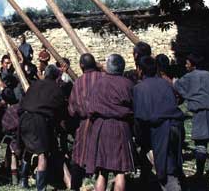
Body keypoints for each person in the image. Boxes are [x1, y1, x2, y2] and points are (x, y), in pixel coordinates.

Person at [133, 56, 184, 191]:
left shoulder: (140, 88)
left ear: (139, 70)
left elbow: (140, 118)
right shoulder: (166, 83)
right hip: (177, 127)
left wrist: (139, 138)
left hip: (161, 131)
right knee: (173, 162)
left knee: (166, 169)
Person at [86, 54, 135, 191]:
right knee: (120, 172)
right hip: (120, 127)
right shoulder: (128, 84)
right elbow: (133, 107)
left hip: (101, 127)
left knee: (102, 172)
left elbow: (90, 108)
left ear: (108, 67)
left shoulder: (99, 83)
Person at [174, 53, 209, 177]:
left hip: (201, 111)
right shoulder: (208, 74)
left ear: (192, 65)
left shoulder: (189, 77)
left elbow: (177, 86)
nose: (186, 65)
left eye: (187, 63)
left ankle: (199, 173)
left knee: (201, 144)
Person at [18, 64, 65, 191]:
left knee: (28, 149)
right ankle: (41, 188)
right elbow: (60, 109)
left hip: (23, 118)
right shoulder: (56, 88)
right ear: (56, 76)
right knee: (42, 154)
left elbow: (23, 102)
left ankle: (23, 179)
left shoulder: (35, 84)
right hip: (38, 121)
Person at [67, 53, 104, 190]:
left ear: (81, 65)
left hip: (85, 124)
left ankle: (76, 186)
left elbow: (72, 109)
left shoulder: (78, 82)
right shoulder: (104, 78)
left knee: (79, 157)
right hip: (103, 122)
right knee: (102, 155)